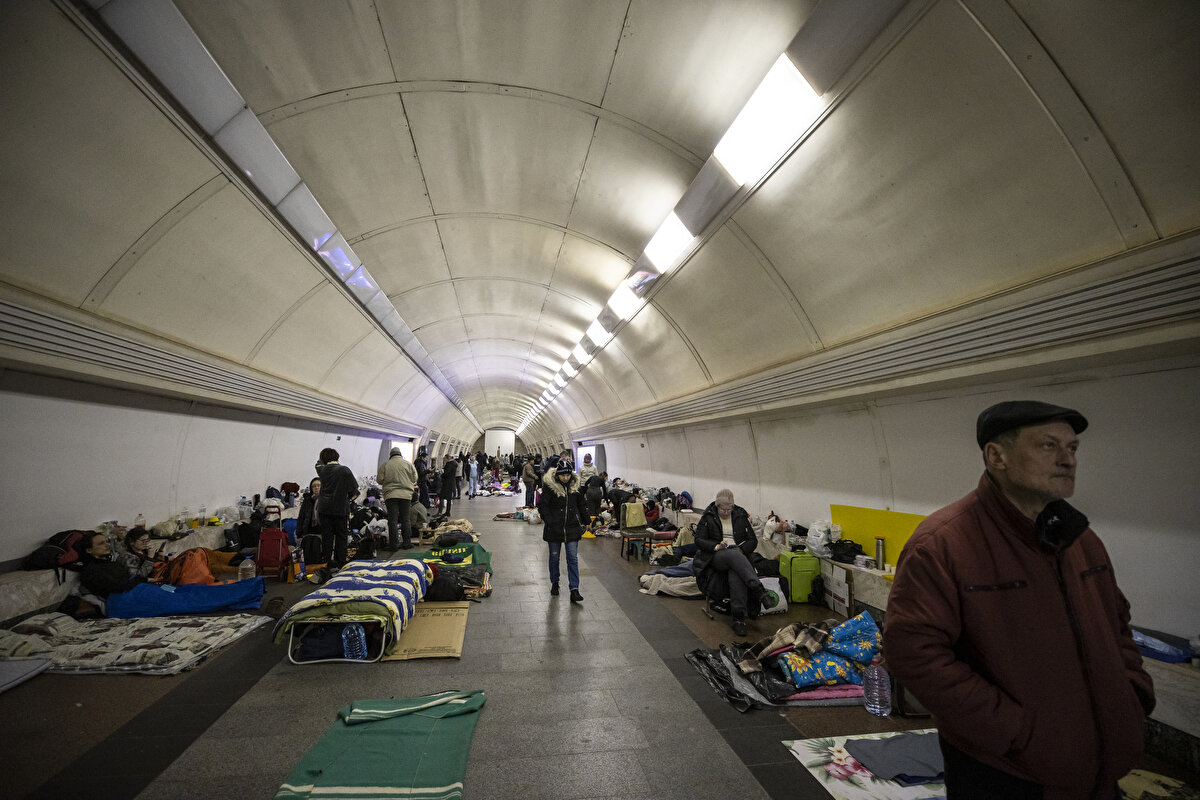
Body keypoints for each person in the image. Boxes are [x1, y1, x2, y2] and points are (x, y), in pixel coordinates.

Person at [883, 401, 1155, 799]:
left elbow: (1116, 624)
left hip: (1098, 766)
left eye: (1073, 448)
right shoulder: (943, 545)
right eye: (1048, 446)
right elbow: (913, 654)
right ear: (997, 456)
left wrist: (1131, 695)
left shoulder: (1081, 541)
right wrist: (1014, 730)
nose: (1067, 460)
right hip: (1004, 771)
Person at [692, 489, 764, 637]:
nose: (725, 512)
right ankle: (758, 588)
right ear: (717, 506)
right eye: (722, 509)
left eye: (728, 509)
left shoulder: (740, 516)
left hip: (737, 555)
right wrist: (716, 546)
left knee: (736, 572)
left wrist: (741, 548)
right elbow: (698, 540)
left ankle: (739, 618)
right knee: (732, 556)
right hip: (717, 554)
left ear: (733, 506)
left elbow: (753, 540)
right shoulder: (708, 517)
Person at [537, 461, 588, 603]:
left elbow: (581, 505)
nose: (565, 478)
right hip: (554, 528)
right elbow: (543, 506)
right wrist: (549, 520)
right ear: (558, 474)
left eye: (567, 475)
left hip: (572, 527)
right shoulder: (550, 487)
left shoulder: (575, 487)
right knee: (554, 558)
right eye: (562, 475)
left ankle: (574, 589)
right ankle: (555, 582)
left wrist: (587, 521)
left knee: (572, 558)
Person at [315, 447, 358, 568]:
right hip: (340, 508)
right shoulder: (344, 470)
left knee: (327, 536)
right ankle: (340, 561)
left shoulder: (321, 470)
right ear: (337, 457)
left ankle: (327, 560)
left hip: (324, 509)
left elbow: (317, 464)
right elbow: (354, 489)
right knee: (341, 536)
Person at [378, 447, 418, 550]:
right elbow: (415, 478)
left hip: (391, 495)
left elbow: (379, 480)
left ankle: (393, 545)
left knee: (393, 520)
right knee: (406, 519)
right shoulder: (408, 464)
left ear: (391, 455)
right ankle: (407, 543)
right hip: (406, 495)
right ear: (400, 454)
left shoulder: (385, 465)